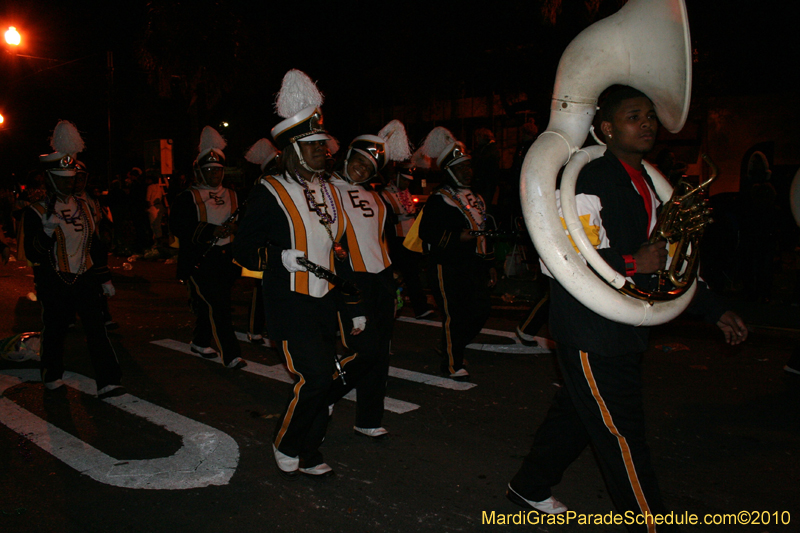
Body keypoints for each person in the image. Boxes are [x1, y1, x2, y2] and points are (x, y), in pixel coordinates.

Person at [506, 86, 748, 530]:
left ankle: (529, 485)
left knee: (581, 412)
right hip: (591, 328)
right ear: (606, 128)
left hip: (624, 325)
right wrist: (634, 261)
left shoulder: (648, 183)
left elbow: (672, 259)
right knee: (623, 434)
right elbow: (561, 256)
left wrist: (712, 308)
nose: (648, 123)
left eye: (651, 116)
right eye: (634, 115)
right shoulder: (590, 177)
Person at [234, 69, 363, 478]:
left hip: (326, 300)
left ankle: (309, 449)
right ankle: (288, 442)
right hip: (290, 301)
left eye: (323, 144)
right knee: (316, 376)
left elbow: (339, 250)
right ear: (295, 150)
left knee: (334, 377)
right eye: (315, 146)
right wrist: (277, 258)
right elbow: (242, 250)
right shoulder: (268, 191)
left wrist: (353, 303)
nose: (325, 151)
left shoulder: (329, 189)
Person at [22, 121, 123, 398]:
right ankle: (51, 372)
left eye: (72, 177)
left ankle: (108, 380)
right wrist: (45, 233)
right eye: (63, 178)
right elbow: (33, 253)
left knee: (96, 330)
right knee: (54, 330)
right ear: (52, 178)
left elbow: (95, 245)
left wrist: (104, 277)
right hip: (53, 280)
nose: (70, 182)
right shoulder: (35, 211)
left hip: (85, 277)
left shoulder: (86, 206)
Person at [326, 120, 411, 439]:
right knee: (365, 349)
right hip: (349, 279)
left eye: (370, 166)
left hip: (382, 280)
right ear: (347, 158)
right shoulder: (325, 191)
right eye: (359, 162)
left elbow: (385, 242)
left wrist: (396, 281)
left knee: (381, 351)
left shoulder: (377, 198)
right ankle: (325, 397)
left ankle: (369, 418)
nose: (362, 170)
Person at [416, 127, 497, 379]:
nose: (468, 172)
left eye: (469, 167)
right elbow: (427, 233)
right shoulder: (439, 199)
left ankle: (451, 345)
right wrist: (457, 237)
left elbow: (484, 232)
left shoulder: (478, 198)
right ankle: (452, 364)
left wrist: (490, 263)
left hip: (474, 265)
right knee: (454, 315)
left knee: (481, 309)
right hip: (446, 265)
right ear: (449, 171)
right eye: (462, 168)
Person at [170, 126, 245, 369]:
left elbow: (244, 224)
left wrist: (236, 230)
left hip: (227, 259)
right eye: (209, 170)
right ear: (200, 172)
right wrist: (209, 230)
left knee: (210, 303)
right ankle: (231, 354)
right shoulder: (188, 197)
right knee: (219, 306)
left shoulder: (234, 195)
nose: (214, 174)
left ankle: (200, 341)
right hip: (200, 259)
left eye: (218, 170)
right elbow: (178, 227)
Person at [241, 138, 281, 345]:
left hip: (276, 241)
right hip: (264, 242)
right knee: (260, 288)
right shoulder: (263, 184)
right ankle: (254, 329)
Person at [380, 163, 432, 319]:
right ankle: (415, 307)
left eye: (408, 181)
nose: (406, 183)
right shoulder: (384, 194)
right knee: (400, 275)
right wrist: (397, 218)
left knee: (411, 274)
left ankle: (420, 308)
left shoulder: (408, 193)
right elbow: (384, 219)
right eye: (404, 180)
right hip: (394, 240)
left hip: (409, 240)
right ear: (395, 178)